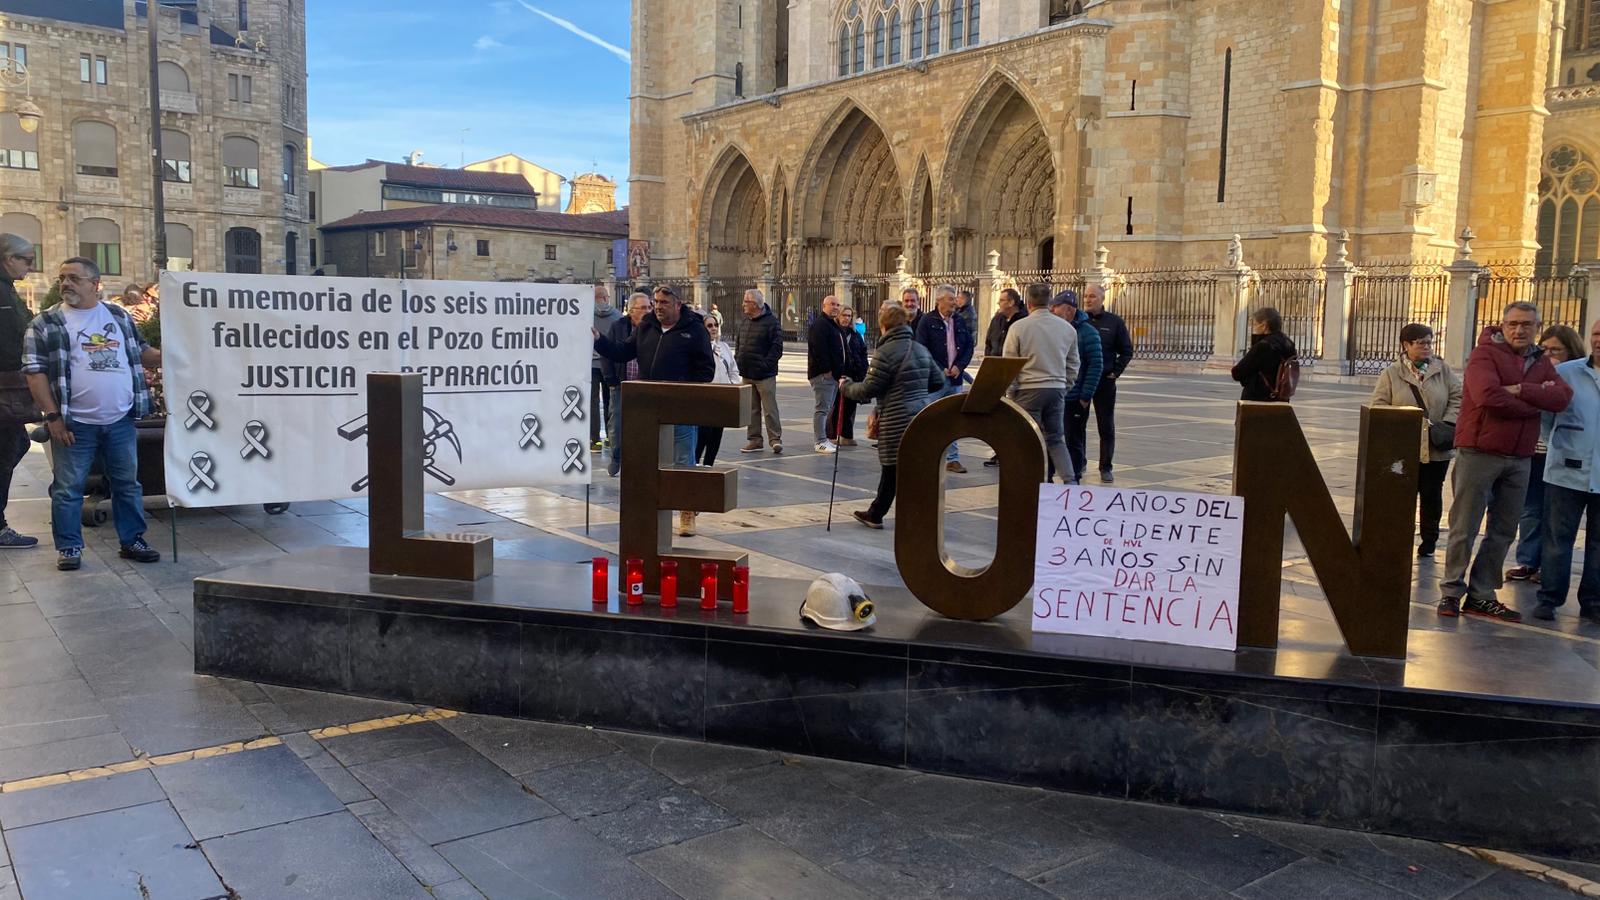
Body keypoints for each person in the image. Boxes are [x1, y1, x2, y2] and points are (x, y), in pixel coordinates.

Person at [24, 257, 163, 571]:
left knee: (128, 484)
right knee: (68, 488)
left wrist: (175, 352)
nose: (66, 284)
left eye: (74, 278)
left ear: (95, 284)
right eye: (63, 278)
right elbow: (35, 373)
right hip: (75, 424)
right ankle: (70, 547)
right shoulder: (46, 323)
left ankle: (132, 541)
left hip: (120, 420)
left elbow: (141, 353)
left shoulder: (118, 316)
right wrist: (53, 416)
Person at [1439, 301, 1572, 621]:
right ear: (1502, 325)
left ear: (1536, 328)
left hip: (1520, 457)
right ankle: (1450, 592)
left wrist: (1520, 389)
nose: (1519, 329)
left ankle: (1481, 594)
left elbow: (1562, 397)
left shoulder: (1541, 361)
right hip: (1479, 452)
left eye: (1526, 324)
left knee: (1503, 529)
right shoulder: (1484, 354)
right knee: (1464, 526)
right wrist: (1534, 400)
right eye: (1513, 323)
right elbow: (1488, 396)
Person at [593, 285, 714, 534]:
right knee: (647, 462)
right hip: (648, 408)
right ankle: (649, 513)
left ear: (678, 304)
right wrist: (599, 341)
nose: (658, 307)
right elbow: (623, 352)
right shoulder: (647, 326)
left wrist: (682, 388)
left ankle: (687, 513)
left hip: (680, 409)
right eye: (656, 302)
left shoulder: (694, 330)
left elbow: (706, 371)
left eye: (664, 303)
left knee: (683, 462)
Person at [843, 302, 944, 529]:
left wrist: (846, 387)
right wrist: (915, 392)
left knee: (892, 469)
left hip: (896, 418)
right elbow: (938, 381)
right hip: (919, 416)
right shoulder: (919, 349)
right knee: (910, 467)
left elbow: (869, 388)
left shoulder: (885, 352)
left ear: (884, 326)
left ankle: (878, 514)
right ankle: (886, 512)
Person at [1369, 323, 1462, 558]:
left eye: (1429, 342)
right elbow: (1379, 405)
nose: (1426, 347)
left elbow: (1458, 397)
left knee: (1432, 494)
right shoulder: (1392, 373)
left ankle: (1429, 539)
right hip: (1405, 446)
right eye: (1420, 343)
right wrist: (1403, 422)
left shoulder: (1443, 370)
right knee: (1403, 495)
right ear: (1406, 345)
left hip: (1436, 446)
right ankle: (1400, 536)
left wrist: (1448, 423)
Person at [1535, 319, 1600, 623]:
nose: (1599, 340)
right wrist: (1557, 444)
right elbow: (1546, 415)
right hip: (1565, 473)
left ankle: (1593, 602)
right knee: (1557, 539)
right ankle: (1549, 598)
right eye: (1597, 333)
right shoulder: (1567, 373)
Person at [1507, 324, 1584, 581]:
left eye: (1557, 350)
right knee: (1530, 509)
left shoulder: (1576, 378)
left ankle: (1550, 567)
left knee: (1556, 515)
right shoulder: (1534, 371)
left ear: (1570, 351)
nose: (1550, 354)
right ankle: (1528, 561)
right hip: (1533, 450)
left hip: (1562, 453)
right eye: (1546, 348)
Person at [1002, 282, 1079, 482]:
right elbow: (1073, 363)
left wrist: (1011, 393)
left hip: (1028, 390)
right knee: (1055, 438)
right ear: (1050, 302)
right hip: (1056, 388)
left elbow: (1009, 364)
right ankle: (1071, 480)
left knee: (1028, 439)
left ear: (1028, 303)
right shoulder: (1067, 328)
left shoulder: (1018, 327)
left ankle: (1031, 481)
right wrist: (1065, 385)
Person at [0, 235, 39, 548]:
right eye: (26, 259)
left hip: (9, 383)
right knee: (7, 450)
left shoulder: (7, 288)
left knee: (16, 445)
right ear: (7, 258)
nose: (31, 265)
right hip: (4, 385)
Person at [915, 284, 975, 473]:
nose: (954, 303)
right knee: (929, 417)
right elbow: (921, 348)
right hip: (934, 380)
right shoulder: (927, 320)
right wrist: (939, 369)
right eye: (950, 299)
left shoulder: (959, 320)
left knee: (953, 419)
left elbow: (968, 346)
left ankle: (952, 458)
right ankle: (925, 454)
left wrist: (960, 366)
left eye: (955, 299)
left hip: (955, 379)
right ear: (939, 301)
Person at [1050, 290, 1102, 483]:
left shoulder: (1088, 332)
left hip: (1075, 396)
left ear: (1069, 310)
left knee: (1074, 440)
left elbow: (1096, 364)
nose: (1052, 310)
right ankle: (1049, 475)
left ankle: (1075, 477)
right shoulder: (1056, 328)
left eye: (1057, 307)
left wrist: (1085, 395)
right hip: (1057, 393)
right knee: (1053, 438)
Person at [1083, 284, 1133, 482]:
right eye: (1086, 296)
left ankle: (1105, 467)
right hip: (1082, 380)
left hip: (1104, 381)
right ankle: (1079, 461)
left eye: (1092, 296)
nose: (1088, 300)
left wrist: (1116, 371)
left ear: (1102, 299)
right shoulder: (1079, 322)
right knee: (1077, 423)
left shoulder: (1114, 322)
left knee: (1106, 425)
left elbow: (1127, 350)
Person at [983, 287, 1031, 468]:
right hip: (997, 373)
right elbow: (989, 342)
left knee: (1015, 417)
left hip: (1016, 375)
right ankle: (999, 451)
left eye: (1002, 300)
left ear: (1011, 302)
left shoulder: (1024, 322)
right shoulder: (997, 319)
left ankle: (1015, 453)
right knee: (998, 416)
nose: (998, 303)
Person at [603, 293, 650, 477]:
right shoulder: (618, 326)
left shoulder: (652, 328)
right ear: (631, 311)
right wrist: (611, 379)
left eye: (649, 307)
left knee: (643, 423)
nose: (647, 311)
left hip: (645, 384)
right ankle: (616, 457)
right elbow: (609, 352)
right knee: (617, 422)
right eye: (643, 308)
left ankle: (641, 457)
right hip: (622, 382)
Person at [735, 288, 784, 455]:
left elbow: (777, 348)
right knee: (752, 409)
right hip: (747, 372)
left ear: (755, 304)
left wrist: (765, 365)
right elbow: (739, 342)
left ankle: (775, 439)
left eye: (746, 302)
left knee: (770, 408)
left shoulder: (771, 322)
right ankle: (754, 440)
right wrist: (738, 360)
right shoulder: (745, 321)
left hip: (764, 375)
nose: (743, 305)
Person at [698, 311, 740, 467]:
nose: (713, 328)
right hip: (706, 396)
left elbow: (733, 369)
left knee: (717, 433)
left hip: (723, 396)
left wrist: (732, 386)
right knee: (704, 433)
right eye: (709, 326)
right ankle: (695, 462)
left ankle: (709, 463)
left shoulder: (724, 347)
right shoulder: (700, 347)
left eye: (716, 325)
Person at [806, 294, 847, 453]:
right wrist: (827, 370)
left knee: (827, 407)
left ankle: (824, 439)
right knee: (822, 408)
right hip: (823, 375)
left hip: (833, 375)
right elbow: (819, 349)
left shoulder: (832, 324)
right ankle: (820, 441)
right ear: (824, 306)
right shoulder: (820, 325)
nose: (836, 307)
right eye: (832, 304)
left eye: (837, 304)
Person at [1231, 307, 1296, 402]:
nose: (1254, 328)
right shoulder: (1289, 343)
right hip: (1282, 397)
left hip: (1258, 398)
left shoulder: (1263, 346)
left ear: (1264, 325)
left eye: (1255, 324)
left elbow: (1237, 373)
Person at [831, 306, 869, 447]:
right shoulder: (834, 332)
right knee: (836, 406)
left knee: (850, 407)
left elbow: (863, 353)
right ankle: (834, 434)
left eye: (849, 316)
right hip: (838, 375)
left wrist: (863, 370)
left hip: (854, 375)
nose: (846, 318)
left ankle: (846, 435)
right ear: (838, 316)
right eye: (844, 315)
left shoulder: (855, 335)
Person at [591, 286, 622, 453]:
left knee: (593, 402)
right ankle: (611, 438)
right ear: (605, 297)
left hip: (591, 364)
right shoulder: (617, 315)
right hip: (610, 363)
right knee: (610, 401)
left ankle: (594, 440)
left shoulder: (585, 314)